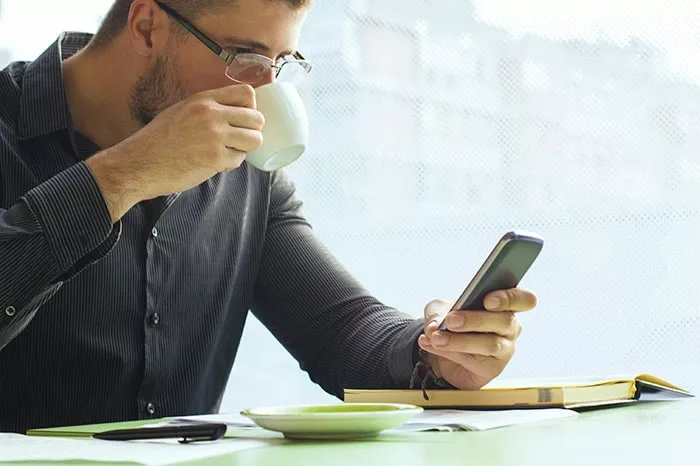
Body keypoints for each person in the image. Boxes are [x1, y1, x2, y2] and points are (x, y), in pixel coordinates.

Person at [0, 0, 537, 433]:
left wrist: (435, 353)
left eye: (281, 65)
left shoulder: (246, 171)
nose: (262, 93)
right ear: (145, 27)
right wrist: (122, 176)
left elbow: (339, 330)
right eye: (246, 57)